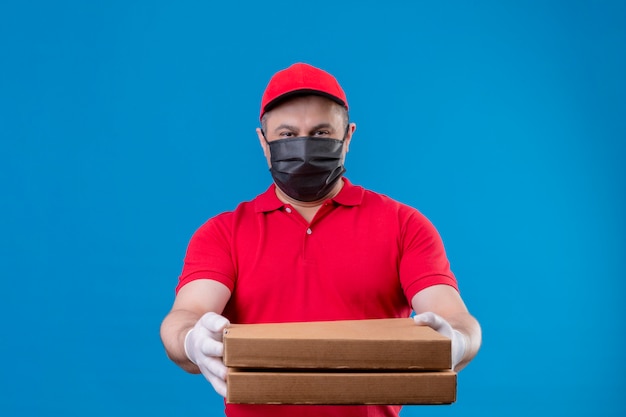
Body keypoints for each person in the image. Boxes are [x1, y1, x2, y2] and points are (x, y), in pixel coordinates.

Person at [160, 62, 481, 417]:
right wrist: (191, 340)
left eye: (321, 133)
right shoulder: (224, 233)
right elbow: (185, 315)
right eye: (287, 135)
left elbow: (457, 317)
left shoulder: (404, 225)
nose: (303, 147)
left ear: (348, 137)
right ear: (263, 142)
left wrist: (457, 341)